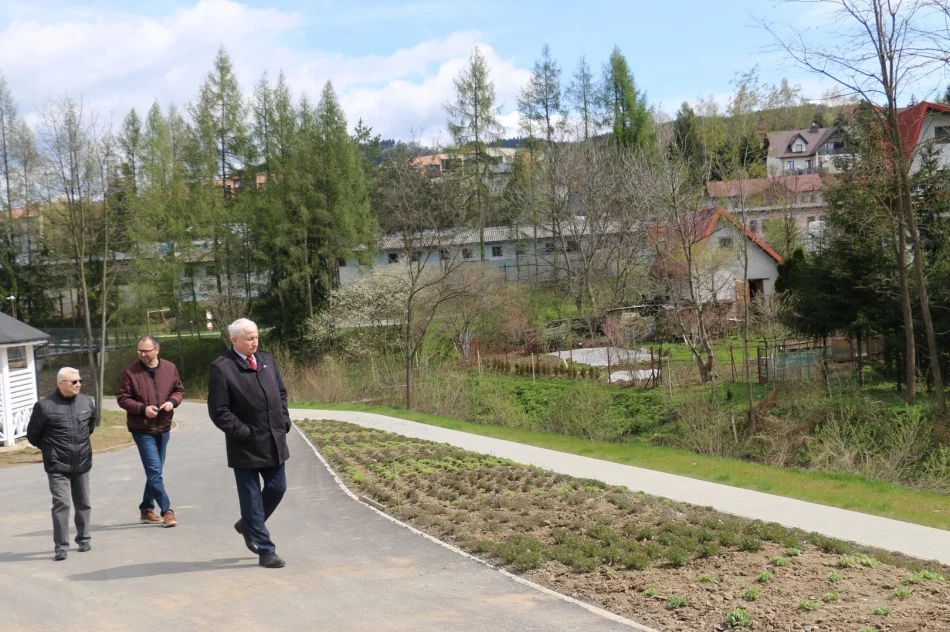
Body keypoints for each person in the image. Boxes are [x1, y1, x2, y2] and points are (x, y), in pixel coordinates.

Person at [207, 318, 290, 569]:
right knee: (252, 499)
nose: (255, 341)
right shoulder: (223, 368)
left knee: (278, 488)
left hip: (274, 439)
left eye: (256, 336)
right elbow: (219, 410)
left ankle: (247, 525)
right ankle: (266, 550)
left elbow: (281, 392)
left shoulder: (267, 360)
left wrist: (284, 419)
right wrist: (243, 432)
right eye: (249, 338)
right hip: (245, 445)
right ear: (235, 340)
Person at [26, 367, 96, 561]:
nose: (79, 384)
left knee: (83, 503)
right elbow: (33, 436)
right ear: (61, 383)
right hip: (57, 465)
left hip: (82, 461)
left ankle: (84, 539)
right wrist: (51, 450)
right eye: (74, 382)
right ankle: (61, 547)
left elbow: (90, 426)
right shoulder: (44, 406)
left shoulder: (86, 402)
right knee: (62, 503)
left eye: (80, 380)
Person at [117, 334, 184, 528]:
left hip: (163, 427)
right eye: (140, 351)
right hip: (142, 429)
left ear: (157, 350)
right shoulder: (131, 372)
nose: (142, 354)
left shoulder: (170, 368)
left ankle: (146, 509)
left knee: (155, 471)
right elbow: (122, 398)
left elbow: (179, 391)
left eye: (146, 351)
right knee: (155, 471)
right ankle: (167, 511)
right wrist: (142, 409)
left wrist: (172, 402)